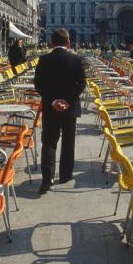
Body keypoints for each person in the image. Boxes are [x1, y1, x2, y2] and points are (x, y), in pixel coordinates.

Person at [34, 28, 86, 195]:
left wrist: (54, 101)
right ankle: (65, 175)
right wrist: (68, 101)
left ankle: (47, 179)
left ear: (52, 42)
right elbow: (82, 84)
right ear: (68, 42)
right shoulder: (76, 59)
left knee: (49, 142)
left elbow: (38, 84)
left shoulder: (44, 59)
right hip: (70, 109)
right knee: (68, 142)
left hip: (51, 108)